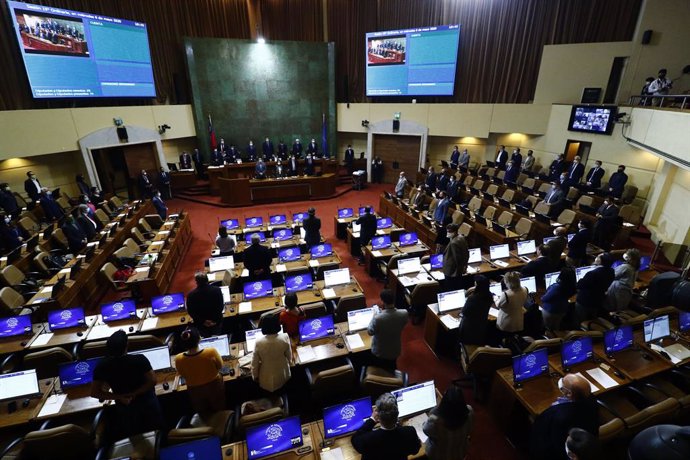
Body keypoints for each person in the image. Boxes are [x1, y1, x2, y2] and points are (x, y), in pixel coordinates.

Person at [91, 331, 164, 444]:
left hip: (125, 407)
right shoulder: (139, 359)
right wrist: (135, 393)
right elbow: (153, 381)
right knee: (157, 435)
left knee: (136, 439)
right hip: (148, 403)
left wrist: (119, 397)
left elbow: (95, 392)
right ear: (126, 345)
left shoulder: (102, 366)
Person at [530, 373, 598, 460]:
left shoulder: (559, 416)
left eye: (563, 383)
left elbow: (552, 438)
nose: (561, 382)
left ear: (569, 394)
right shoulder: (591, 399)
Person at [352, 393, 421, 460]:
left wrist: (372, 420)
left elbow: (354, 439)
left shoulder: (367, 440)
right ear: (397, 414)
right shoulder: (409, 432)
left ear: (378, 416)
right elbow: (415, 451)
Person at [174, 326, 225, 415]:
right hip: (214, 386)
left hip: (194, 391)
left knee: (203, 414)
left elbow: (182, 374)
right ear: (199, 338)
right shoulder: (211, 352)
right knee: (220, 411)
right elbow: (220, 366)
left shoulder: (178, 359)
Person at [423, 384, 473, 460]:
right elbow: (470, 430)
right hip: (460, 453)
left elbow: (425, 430)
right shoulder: (469, 411)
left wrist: (435, 409)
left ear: (444, 404)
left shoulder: (435, 421)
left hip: (438, 456)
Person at [367, 289, 408, 370]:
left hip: (379, 352)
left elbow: (370, 332)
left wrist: (374, 316)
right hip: (395, 351)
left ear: (382, 301)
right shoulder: (404, 313)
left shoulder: (378, 318)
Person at [251, 313, 292, 393]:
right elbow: (289, 357)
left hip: (266, 379)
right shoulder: (285, 337)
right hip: (282, 374)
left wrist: (255, 376)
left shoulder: (258, 342)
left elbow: (254, 364)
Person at [575, 252, 615, 322]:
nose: (596, 257)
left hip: (585, 301)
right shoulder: (611, 271)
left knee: (580, 320)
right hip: (598, 300)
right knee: (592, 320)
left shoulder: (592, 273)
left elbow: (580, 285)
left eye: (598, 257)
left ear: (600, 261)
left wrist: (580, 280)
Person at [186, 272, 224, 337]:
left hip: (201, 325)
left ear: (196, 282)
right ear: (207, 280)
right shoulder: (217, 290)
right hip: (216, 322)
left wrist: (203, 321)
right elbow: (220, 307)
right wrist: (213, 320)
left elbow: (191, 312)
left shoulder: (191, 295)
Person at [458, 275, 493, 345]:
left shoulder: (473, 298)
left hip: (469, 327)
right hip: (481, 326)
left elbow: (464, 312)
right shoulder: (489, 296)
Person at [541, 267, 577, 331]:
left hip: (551, 311)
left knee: (548, 328)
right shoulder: (572, 286)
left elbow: (544, 299)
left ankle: (549, 339)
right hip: (562, 310)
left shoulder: (557, 287)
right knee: (556, 326)